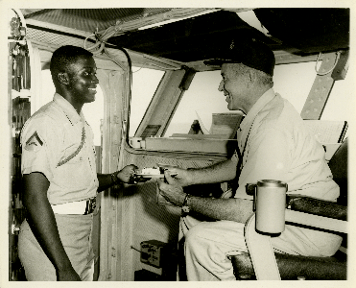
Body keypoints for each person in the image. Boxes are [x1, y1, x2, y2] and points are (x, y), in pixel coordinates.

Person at [157, 38, 342, 281]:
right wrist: (191, 177)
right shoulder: (259, 115)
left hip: (306, 229)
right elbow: (237, 163)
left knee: (201, 240)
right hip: (285, 219)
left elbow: (247, 211)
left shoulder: (271, 126)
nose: (221, 87)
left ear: (250, 77)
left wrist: (184, 199)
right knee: (190, 221)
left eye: (225, 78)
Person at [18, 45, 138, 281]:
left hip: (80, 233)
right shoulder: (45, 123)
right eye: (87, 73)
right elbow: (33, 197)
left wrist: (115, 177)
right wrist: (63, 267)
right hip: (52, 238)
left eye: (94, 72)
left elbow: (80, 185)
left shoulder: (80, 123)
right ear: (64, 78)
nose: (95, 80)